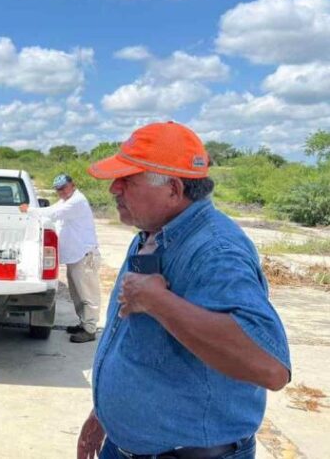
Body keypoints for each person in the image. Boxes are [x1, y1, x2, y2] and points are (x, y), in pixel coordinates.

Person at [77, 122, 290, 459]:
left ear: (173, 190)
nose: (113, 189)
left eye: (127, 181)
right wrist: (106, 415)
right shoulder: (154, 230)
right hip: (128, 446)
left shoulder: (216, 251)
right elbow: (141, 345)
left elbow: (270, 367)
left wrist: (158, 302)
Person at [20, 174, 101, 343]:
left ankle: (90, 329)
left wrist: (29, 210)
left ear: (73, 185)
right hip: (76, 256)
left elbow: (52, 214)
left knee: (88, 294)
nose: (61, 192)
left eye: (64, 188)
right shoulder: (66, 200)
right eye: (58, 190)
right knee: (77, 293)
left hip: (84, 255)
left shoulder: (77, 201)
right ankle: (83, 323)